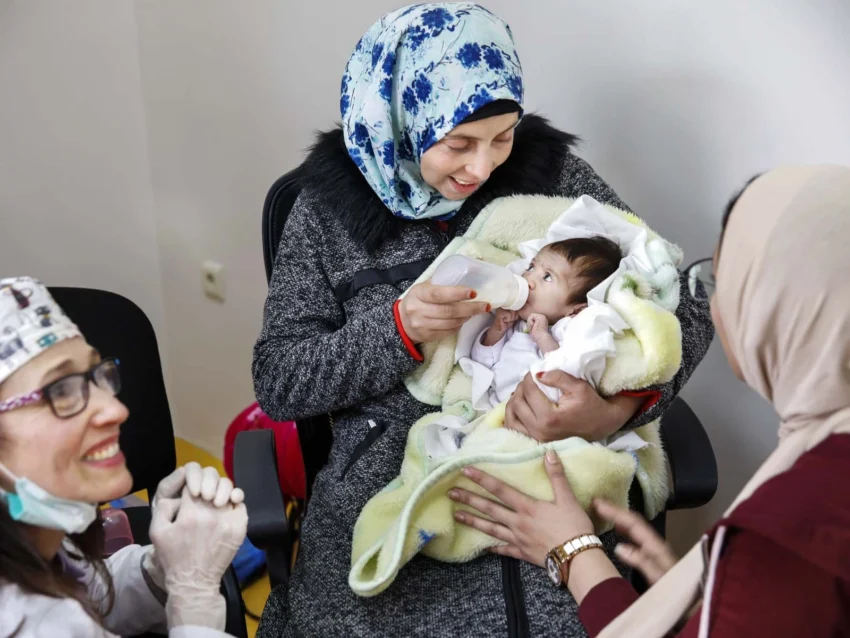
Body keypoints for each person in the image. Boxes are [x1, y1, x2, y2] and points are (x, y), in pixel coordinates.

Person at [253, 4, 712, 636]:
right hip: (387, 482)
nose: (482, 168)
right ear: (402, 123)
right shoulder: (325, 214)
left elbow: (678, 299)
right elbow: (280, 381)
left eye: (503, 138)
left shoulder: (555, 181)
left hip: (540, 472)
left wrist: (615, 411)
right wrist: (398, 331)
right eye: (458, 144)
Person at [450, 166, 850, 636]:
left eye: (722, 283)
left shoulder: (790, 539)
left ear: (786, 309)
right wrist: (695, 598)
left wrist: (573, 551)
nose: (715, 309)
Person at [0, 277, 248, 637]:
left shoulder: (32, 540)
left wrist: (163, 569)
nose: (115, 408)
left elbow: (85, 594)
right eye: (61, 390)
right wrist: (193, 607)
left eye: (95, 375)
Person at [474, 237, 622, 406]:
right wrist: (496, 331)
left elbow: (566, 374)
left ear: (575, 309)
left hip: (535, 414)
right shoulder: (515, 321)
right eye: (531, 267)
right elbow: (481, 365)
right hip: (495, 406)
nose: (529, 280)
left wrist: (543, 338)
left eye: (547, 277)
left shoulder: (567, 330)